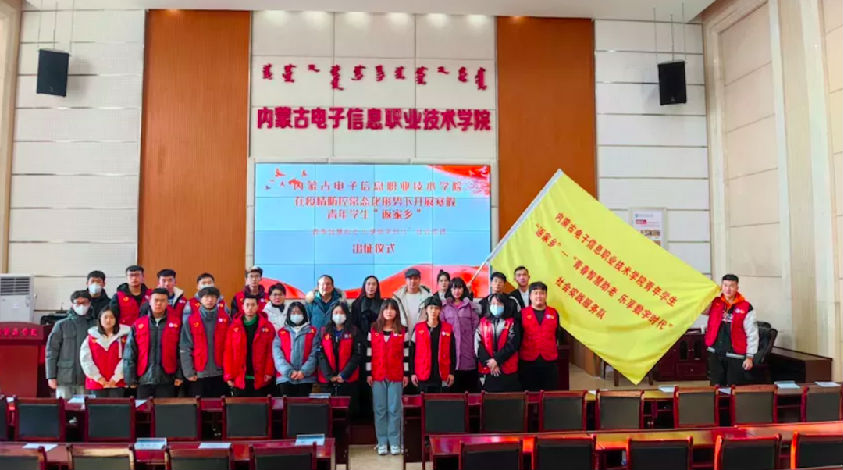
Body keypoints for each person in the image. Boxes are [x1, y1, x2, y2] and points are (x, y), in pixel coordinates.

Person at [366, 299, 409, 456]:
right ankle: (382, 442)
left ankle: (395, 442)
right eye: (386, 309)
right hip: (377, 375)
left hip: (396, 375)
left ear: (396, 312)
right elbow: (369, 353)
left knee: (394, 409)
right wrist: (368, 373)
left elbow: (406, 355)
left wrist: (406, 374)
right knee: (380, 410)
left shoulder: (403, 331)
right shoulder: (373, 329)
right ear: (381, 311)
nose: (389, 312)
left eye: (392, 309)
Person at [124, 288, 184, 398]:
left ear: (167, 303)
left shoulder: (176, 324)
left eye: (162, 300)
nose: (159, 303)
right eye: (156, 300)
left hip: (167, 379)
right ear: (150, 301)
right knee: (143, 408)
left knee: (165, 409)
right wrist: (130, 378)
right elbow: (130, 353)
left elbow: (181, 352)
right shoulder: (138, 324)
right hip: (143, 378)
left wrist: (179, 375)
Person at [704, 274, 759, 386]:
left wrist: (749, 357)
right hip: (715, 352)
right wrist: (709, 293)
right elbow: (700, 309)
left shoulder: (746, 307)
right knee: (715, 386)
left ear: (737, 287)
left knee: (734, 388)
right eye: (725, 285)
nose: (728, 289)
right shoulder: (715, 303)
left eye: (731, 286)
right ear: (721, 287)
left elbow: (752, 334)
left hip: (735, 355)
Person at [180, 286, 231, 398]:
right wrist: (189, 372)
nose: (210, 300)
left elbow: (231, 347)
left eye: (213, 297)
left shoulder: (226, 319)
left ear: (217, 299)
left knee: (221, 406)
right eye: (206, 297)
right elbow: (185, 347)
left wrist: (230, 372)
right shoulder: (191, 320)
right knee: (200, 406)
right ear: (200, 299)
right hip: (199, 374)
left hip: (221, 374)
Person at [46, 290, 97, 398]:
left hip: (89, 377)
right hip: (64, 377)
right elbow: (51, 352)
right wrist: (51, 376)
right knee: (64, 407)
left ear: (89, 304)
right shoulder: (61, 325)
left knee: (86, 407)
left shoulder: (96, 325)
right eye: (77, 303)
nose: (81, 306)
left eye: (84, 303)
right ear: (72, 305)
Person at [223, 295, 276, 397]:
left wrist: (269, 372)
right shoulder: (233, 327)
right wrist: (228, 375)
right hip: (239, 377)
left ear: (258, 307)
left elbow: (271, 352)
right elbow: (228, 352)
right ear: (242, 306)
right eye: (247, 305)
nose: (250, 308)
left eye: (253, 305)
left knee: (260, 405)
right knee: (241, 406)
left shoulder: (267, 326)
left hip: (261, 377)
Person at [317, 302, 363, 416]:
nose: (338, 315)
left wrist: (343, 375)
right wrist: (330, 376)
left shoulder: (354, 331)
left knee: (347, 414)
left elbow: (357, 355)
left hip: (348, 379)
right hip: (328, 380)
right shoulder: (323, 331)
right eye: (336, 312)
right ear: (332, 315)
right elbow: (320, 354)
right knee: (327, 414)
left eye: (342, 313)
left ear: (347, 314)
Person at [519, 282, 563, 392]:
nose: (539, 296)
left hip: (549, 360)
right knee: (529, 394)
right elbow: (518, 337)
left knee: (549, 394)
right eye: (536, 293)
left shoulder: (554, 313)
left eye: (542, 293)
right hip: (528, 361)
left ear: (546, 295)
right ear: (530, 296)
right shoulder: (522, 313)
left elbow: (557, 334)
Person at [80, 306, 130, 397]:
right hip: (96, 382)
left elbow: (127, 358)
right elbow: (85, 360)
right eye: (105, 317)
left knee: (116, 405)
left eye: (111, 317)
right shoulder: (90, 338)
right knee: (98, 405)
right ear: (100, 319)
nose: (108, 320)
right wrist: (98, 378)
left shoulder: (125, 337)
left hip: (117, 383)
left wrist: (116, 378)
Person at [441, 277, 480, 393]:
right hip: (451, 351)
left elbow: (476, 329)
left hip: (468, 351)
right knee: (454, 392)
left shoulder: (471, 307)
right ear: (450, 290)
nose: (456, 291)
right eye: (454, 288)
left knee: (470, 390)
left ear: (463, 289)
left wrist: (474, 349)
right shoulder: (445, 308)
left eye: (459, 288)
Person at [476, 293, 522, 392]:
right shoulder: (483, 322)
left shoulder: (511, 322)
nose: (496, 306)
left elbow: (513, 344)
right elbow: (477, 344)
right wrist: (489, 362)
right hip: (488, 369)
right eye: (493, 303)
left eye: (499, 303)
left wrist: (496, 360)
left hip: (507, 369)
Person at [273, 301, 320, 397]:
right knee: (286, 405)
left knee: (303, 405)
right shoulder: (281, 332)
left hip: (306, 378)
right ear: (288, 315)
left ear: (304, 314)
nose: (296, 315)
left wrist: (304, 371)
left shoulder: (313, 331)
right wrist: (288, 371)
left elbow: (315, 354)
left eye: (299, 312)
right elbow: (277, 355)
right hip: (285, 378)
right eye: (293, 313)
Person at [410, 296, 455, 393]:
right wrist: (412, 373)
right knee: (423, 401)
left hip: (442, 373)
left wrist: (452, 373)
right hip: (422, 373)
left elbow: (452, 352)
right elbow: (412, 352)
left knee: (440, 401)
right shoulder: (418, 328)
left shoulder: (447, 328)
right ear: (426, 309)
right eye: (431, 308)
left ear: (440, 310)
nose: (433, 311)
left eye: (436, 308)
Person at [393, 268, 432, 335]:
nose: (413, 281)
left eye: (415, 278)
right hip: (402, 333)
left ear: (419, 280)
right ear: (406, 280)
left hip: (421, 334)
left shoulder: (427, 297)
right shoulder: (398, 297)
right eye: (410, 279)